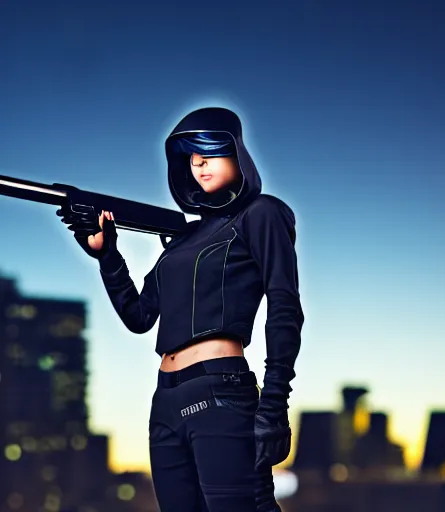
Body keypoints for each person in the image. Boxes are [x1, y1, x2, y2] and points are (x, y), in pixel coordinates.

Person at [57, 107, 304, 511]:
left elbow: (284, 306)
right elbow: (139, 317)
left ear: (238, 153)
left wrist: (276, 404)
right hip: (165, 402)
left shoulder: (263, 213)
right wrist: (107, 256)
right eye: (190, 155)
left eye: (210, 149)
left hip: (220, 392)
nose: (199, 162)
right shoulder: (184, 239)